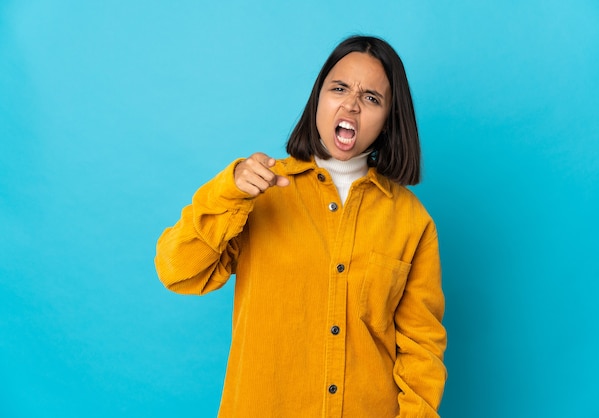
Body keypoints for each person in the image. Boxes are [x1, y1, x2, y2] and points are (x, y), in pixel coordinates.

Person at [155, 35, 447, 417]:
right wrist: (229, 192)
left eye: (371, 98)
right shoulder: (258, 190)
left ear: (390, 120)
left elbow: (420, 347)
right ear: (318, 100)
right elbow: (177, 271)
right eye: (339, 88)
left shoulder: (411, 220)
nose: (351, 105)